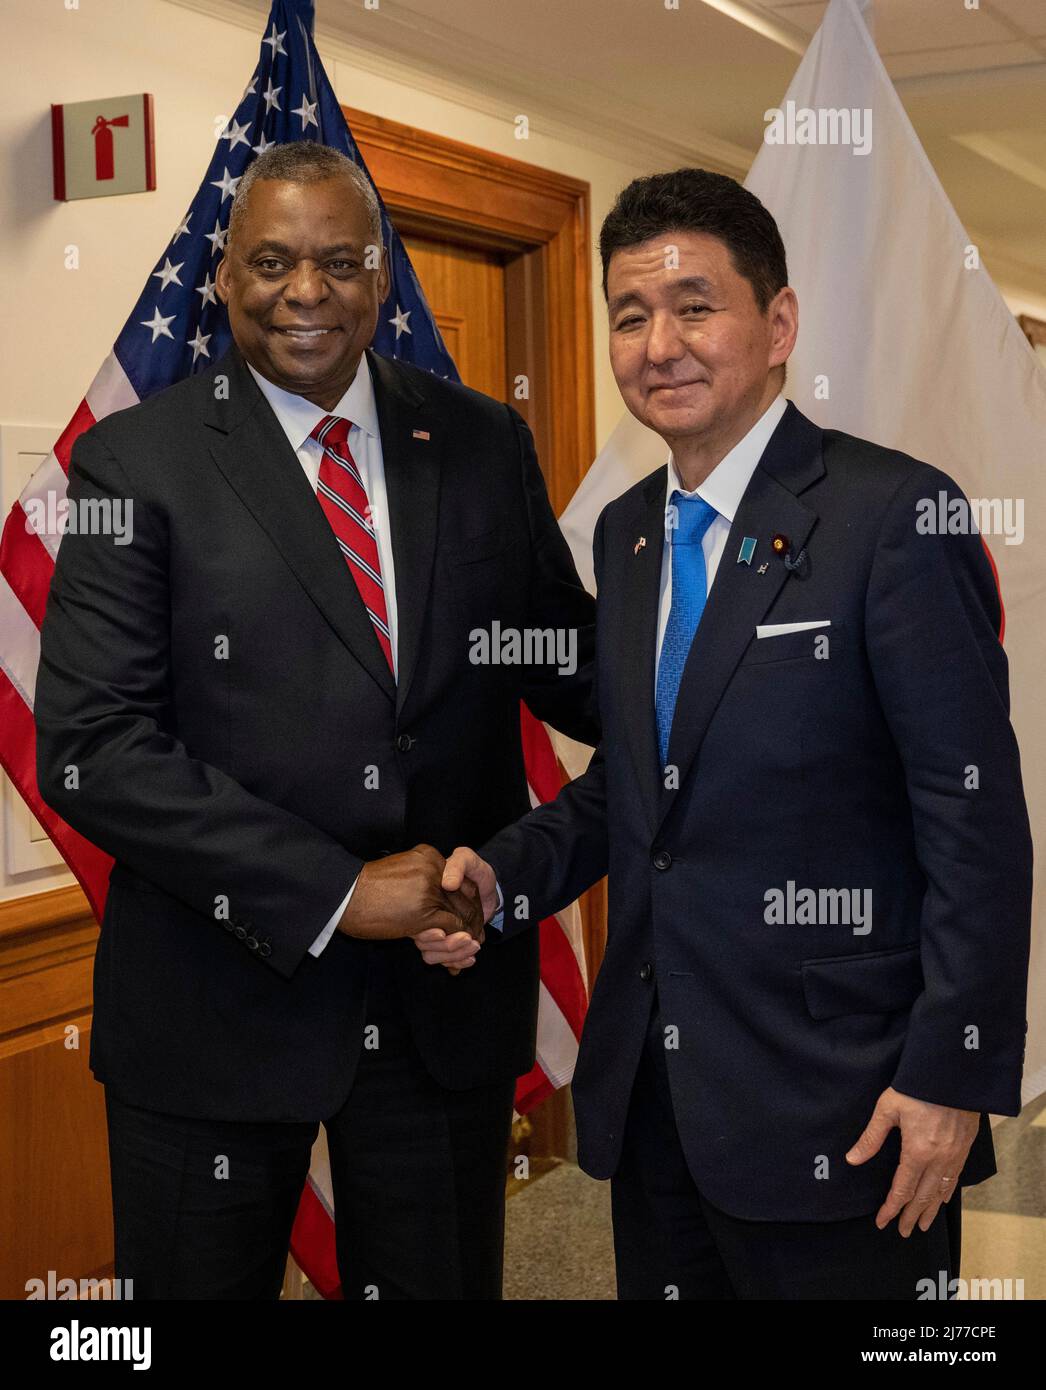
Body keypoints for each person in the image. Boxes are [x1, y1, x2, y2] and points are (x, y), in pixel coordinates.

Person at [421, 168, 1033, 1300]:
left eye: (695, 305)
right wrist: (498, 877)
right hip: (657, 1105)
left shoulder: (892, 516)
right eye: (629, 314)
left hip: (848, 1114)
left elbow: (973, 824)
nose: (660, 344)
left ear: (778, 324)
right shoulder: (625, 536)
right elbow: (639, 787)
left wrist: (950, 1073)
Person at [35, 141, 597, 1300]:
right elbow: (94, 749)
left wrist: (717, 632)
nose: (307, 292)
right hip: (215, 1007)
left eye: (339, 262)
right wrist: (341, 893)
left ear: (380, 280)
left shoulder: (482, 440)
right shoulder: (132, 463)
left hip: (441, 1005)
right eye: (274, 262)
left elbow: (560, 659)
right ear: (225, 278)